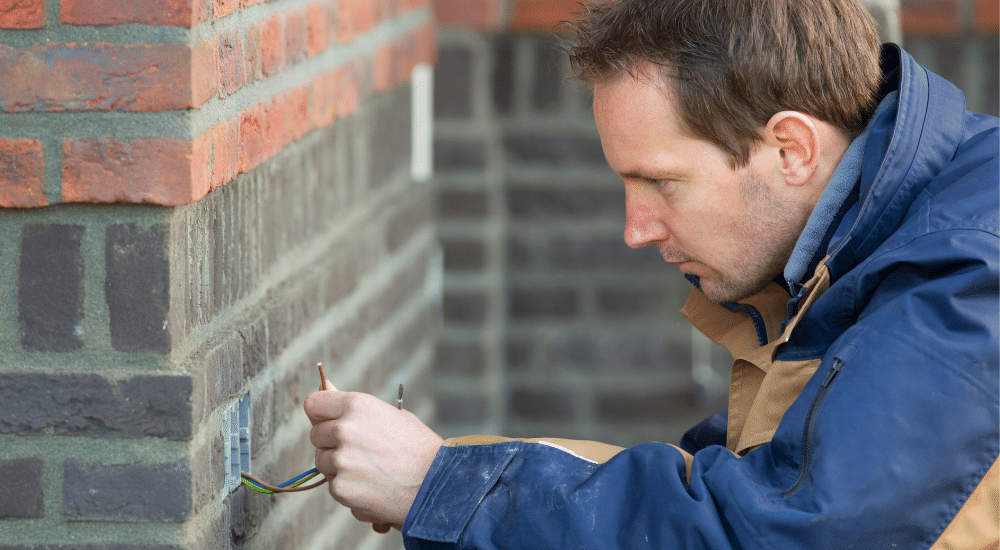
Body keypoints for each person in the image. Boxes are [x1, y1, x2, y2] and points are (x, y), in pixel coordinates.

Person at [304, 0, 1000, 547]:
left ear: (791, 148)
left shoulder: (967, 274)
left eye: (661, 183)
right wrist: (447, 469)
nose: (635, 230)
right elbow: (715, 487)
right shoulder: (870, 247)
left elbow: (784, 536)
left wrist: (441, 486)